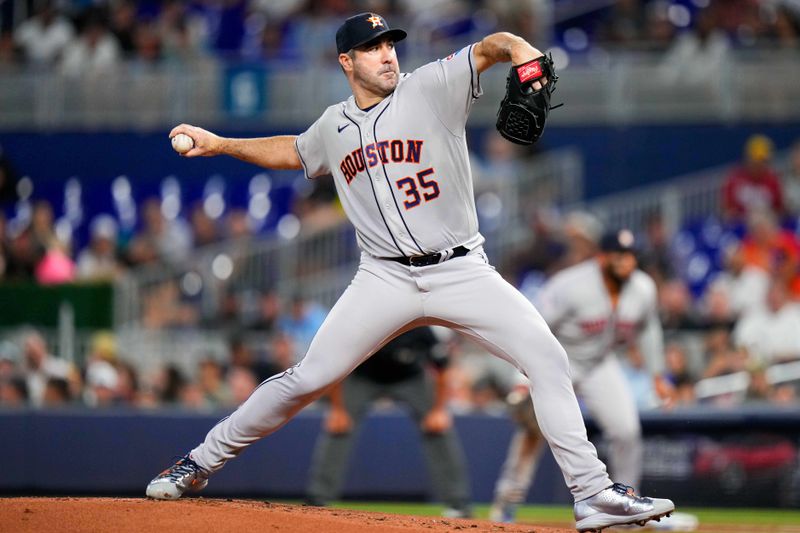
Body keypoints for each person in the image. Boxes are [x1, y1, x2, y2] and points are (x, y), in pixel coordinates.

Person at [145, 13, 674, 531]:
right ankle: (197, 463)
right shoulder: (334, 125)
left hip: (461, 268)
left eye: (391, 43)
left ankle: (592, 493)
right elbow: (294, 151)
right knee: (307, 378)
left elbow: (490, 47)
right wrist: (220, 143)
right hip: (383, 279)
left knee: (547, 357)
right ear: (346, 62)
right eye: (374, 47)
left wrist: (519, 49)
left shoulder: (431, 87)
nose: (387, 53)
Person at [489, 230, 677, 523]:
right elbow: (532, 327)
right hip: (557, 358)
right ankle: (506, 503)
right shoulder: (570, 286)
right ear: (601, 257)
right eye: (618, 256)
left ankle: (627, 509)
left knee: (627, 431)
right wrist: (522, 376)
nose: (625, 263)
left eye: (630, 257)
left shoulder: (642, 288)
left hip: (600, 365)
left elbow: (648, 328)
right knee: (531, 432)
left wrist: (657, 374)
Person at [305, 327, 471, 517]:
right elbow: (336, 365)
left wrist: (439, 410)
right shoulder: (366, 325)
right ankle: (317, 499)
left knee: (439, 428)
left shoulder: (419, 329)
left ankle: (458, 503)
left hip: (410, 379)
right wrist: (337, 409)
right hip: (363, 377)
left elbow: (442, 368)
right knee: (338, 426)